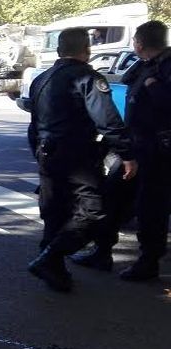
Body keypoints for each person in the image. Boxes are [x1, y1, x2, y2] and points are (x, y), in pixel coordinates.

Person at [26, 27, 137, 292]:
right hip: (76, 155)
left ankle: (54, 269)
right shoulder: (87, 78)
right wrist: (127, 154)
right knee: (93, 210)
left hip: (47, 152)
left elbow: (33, 125)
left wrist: (39, 154)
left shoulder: (41, 78)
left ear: (58, 50)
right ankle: (51, 258)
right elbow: (107, 120)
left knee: (55, 211)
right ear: (86, 51)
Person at [115, 20, 171, 281]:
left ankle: (149, 261)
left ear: (138, 43)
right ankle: (103, 249)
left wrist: (153, 85)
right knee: (120, 196)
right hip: (138, 145)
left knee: (151, 205)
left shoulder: (165, 68)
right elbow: (127, 80)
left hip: (157, 149)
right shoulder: (150, 65)